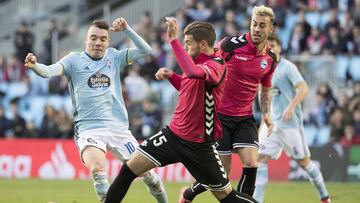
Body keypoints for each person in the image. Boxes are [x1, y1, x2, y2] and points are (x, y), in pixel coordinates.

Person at [104, 17, 258, 203]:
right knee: (128, 171)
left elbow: (193, 72)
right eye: (184, 44)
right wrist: (171, 76)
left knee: (227, 197)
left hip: (199, 145)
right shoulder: (195, 61)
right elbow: (188, 85)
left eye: (188, 43)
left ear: (202, 44)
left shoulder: (215, 65)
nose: (185, 48)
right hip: (172, 136)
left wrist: (173, 40)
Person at [24, 18, 168, 203]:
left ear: (108, 42)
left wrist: (126, 29)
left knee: (149, 176)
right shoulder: (73, 60)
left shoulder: (114, 56)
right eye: (93, 38)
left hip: (119, 129)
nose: (98, 42)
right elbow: (48, 71)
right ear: (86, 40)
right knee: (98, 169)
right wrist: (35, 66)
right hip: (89, 129)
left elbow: (146, 51)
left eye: (103, 39)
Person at [180, 5, 277, 202]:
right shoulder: (230, 45)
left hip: (245, 117)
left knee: (251, 163)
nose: (256, 29)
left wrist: (266, 113)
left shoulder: (271, 58)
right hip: (219, 115)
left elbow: (265, 88)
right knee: (221, 173)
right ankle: (189, 194)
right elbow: (208, 61)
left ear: (271, 29)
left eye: (262, 26)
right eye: (254, 24)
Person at [253, 34, 331, 203]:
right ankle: (257, 200)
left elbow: (303, 88)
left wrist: (291, 106)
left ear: (280, 48)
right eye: (267, 45)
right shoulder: (263, 67)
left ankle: (325, 197)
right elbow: (263, 94)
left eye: (273, 45)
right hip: (271, 124)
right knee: (260, 159)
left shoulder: (288, 67)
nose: (270, 48)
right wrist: (263, 122)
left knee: (304, 162)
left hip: (290, 125)